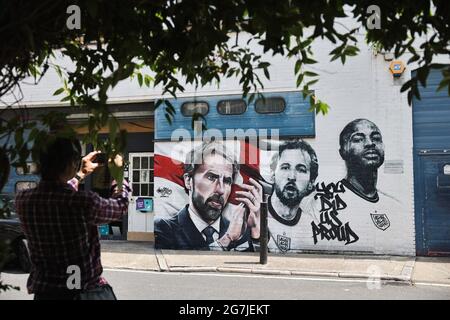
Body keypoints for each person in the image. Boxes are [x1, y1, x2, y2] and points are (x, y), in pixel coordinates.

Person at [15, 136, 130, 300]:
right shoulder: (84, 201)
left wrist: (80, 174)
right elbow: (121, 205)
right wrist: (119, 175)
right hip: (80, 292)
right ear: (71, 163)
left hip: (45, 293)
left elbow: (56, 196)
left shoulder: (23, 200)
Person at [154, 141, 261, 251]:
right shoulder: (164, 228)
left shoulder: (239, 230)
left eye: (227, 181)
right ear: (188, 181)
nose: (221, 190)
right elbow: (190, 261)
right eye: (211, 177)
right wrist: (226, 239)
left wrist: (255, 231)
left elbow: (254, 262)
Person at [266, 139, 319, 252]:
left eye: (301, 170)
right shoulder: (254, 215)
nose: (292, 176)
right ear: (272, 174)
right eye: (285, 167)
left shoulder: (311, 228)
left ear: (311, 182)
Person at [339, 118, 385, 201]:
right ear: (343, 152)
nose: (370, 143)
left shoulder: (393, 204)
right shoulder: (330, 201)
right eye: (358, 139)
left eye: (376, 138)